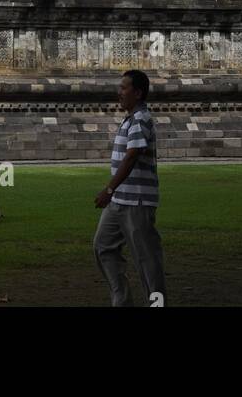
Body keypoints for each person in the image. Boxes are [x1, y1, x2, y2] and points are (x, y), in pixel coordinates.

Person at [93, 69, 167, 307]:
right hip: (120, 201)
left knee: (147, 261)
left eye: (124, 88)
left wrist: (109, 190)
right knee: (103, 246)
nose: (119, 93)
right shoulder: (131, 118)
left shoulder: (140, 118)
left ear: (138, 93)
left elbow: (133, 154)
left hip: (136, 202)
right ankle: (122, 300)